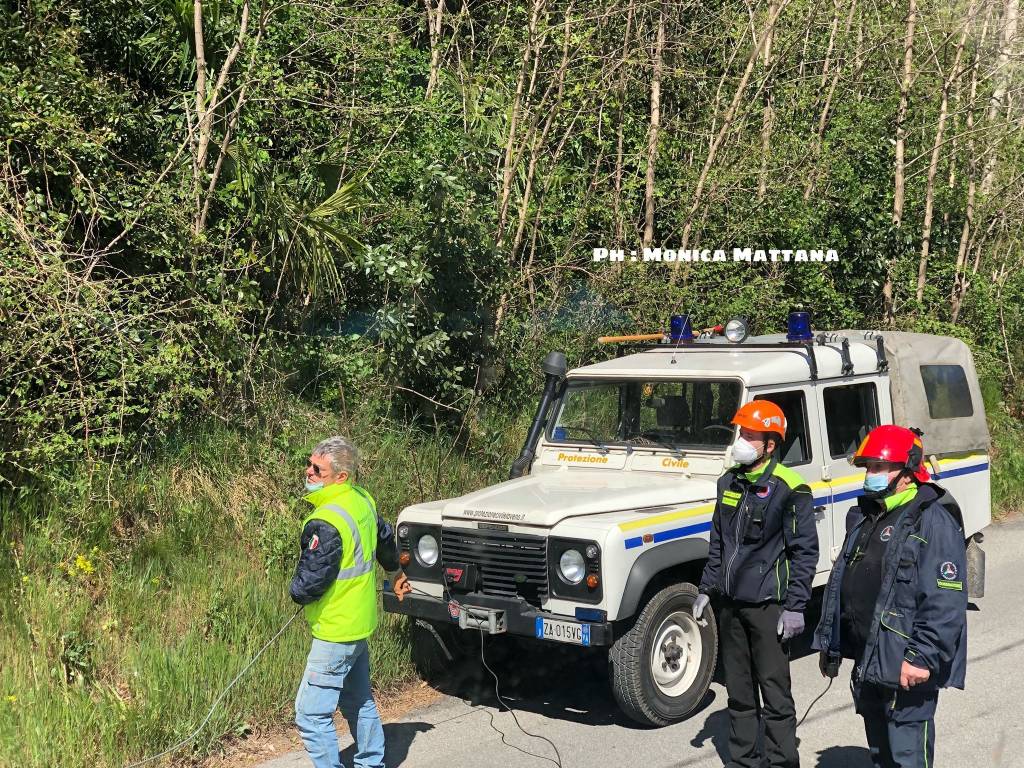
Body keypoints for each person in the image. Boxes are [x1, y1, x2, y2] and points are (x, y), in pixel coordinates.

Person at [813, 425, 968, 768]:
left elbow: (946, 604)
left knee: (908, 759)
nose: (871, 474)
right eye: (868, 467)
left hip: (906, 667)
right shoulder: (868, 516)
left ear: (908, 472)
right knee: (881, 757)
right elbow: (843, 584)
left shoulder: (933, 522)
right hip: (871, 662)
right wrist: (832, 644)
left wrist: (921, 658)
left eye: (880, 467)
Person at [695, 400, 818, 768]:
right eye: (741, 433)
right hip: (731, 606)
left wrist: (796, 606)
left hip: (769, 608)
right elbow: (718, 541)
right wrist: (706, 588)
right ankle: (744, 761)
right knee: (739, 692)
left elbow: (804, 552)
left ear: (769, 444)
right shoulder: (728, 482)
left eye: (750, 435)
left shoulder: (791, 488)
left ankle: (781, 762)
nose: (742, 441)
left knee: (775, 694)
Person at [290, 436, 402, 768]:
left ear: (341, 476)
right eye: (310, 464)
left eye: (317, 469)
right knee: (358, 701)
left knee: (311, 715)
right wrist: (395, 572)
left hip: (335, 631)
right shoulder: (362, 500)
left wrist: (296, 592)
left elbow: (309, 583)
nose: (308, 471)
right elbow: (384, 538)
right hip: (360, 623)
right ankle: (371, 764)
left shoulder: (326, 521)